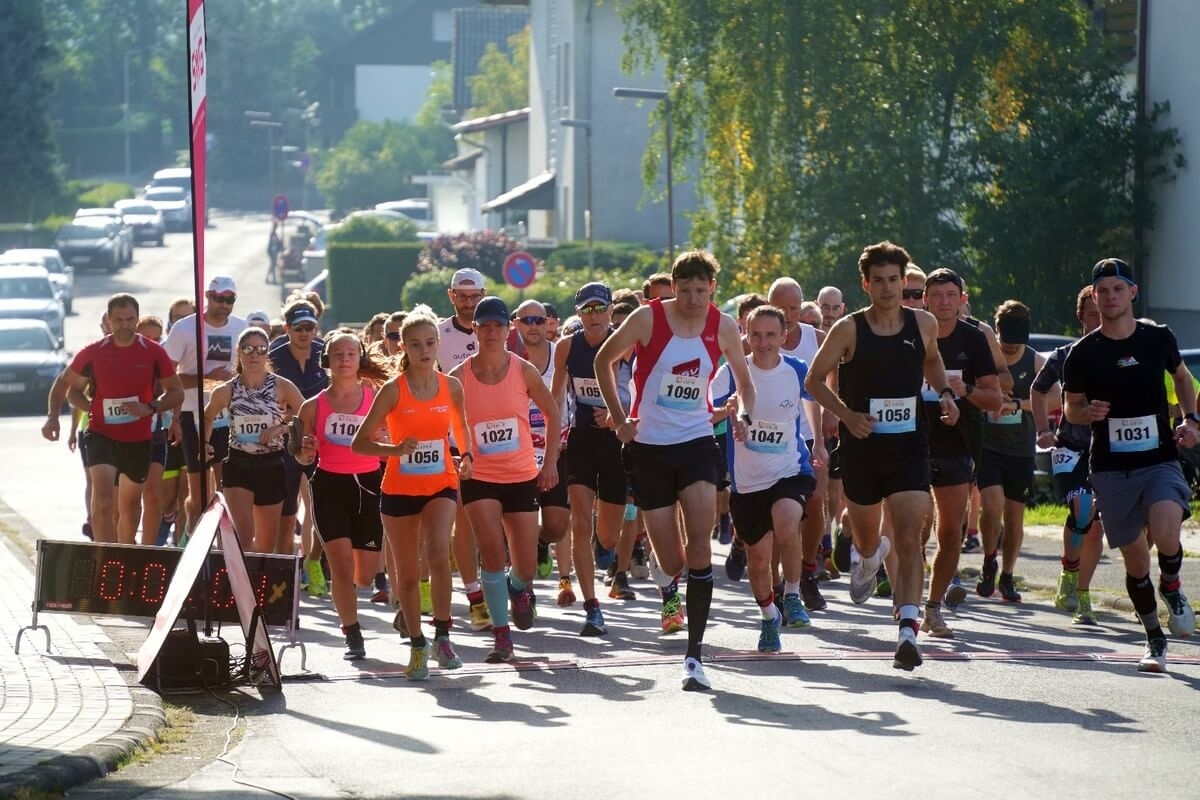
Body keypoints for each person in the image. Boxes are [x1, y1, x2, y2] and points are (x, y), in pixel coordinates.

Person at [595, 250, 755, 691]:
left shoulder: (722, 325)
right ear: (674, 286)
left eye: (700, 291)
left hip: (697, 441)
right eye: (684, 290)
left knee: (699, 541)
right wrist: (620, 417)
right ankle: (673, 588)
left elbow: (745, 380)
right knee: (673, 560)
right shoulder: (648, 320)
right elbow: (602, 361)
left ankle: (694, 654)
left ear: (712, 290)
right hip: (649, 448)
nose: (691, 299)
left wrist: (742, 414)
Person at [805, 241, 959, 672]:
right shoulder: (849, 330)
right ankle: (868, 555)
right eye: (879, 281)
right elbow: (815, 381)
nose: (889, 289)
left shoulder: (923, 323)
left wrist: (944, 392)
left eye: (895, 280)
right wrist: (846, 415)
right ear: (866, 284)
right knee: (867, 535)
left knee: (912, 534)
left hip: (910, 443)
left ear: (904, 280)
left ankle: (908, 629)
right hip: (863, 448)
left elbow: (932, 363)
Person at [1063, 258, 1198, 672]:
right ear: (1094, 297)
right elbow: (1070, 409)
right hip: (1110, 468)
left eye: (1117, 289)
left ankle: (1172, 586)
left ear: (1132, 293)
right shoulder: (1083, 353)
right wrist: (1090, 413)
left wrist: (1191, 420)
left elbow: (1181, 378)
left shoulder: (1157, 337)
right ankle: (1154, 638)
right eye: (1102, 291)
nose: (1109, 297)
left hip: (1159, 459)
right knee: (1135, 561)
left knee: (1166, 530)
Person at [353, 306, 473, 677]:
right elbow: (361, 444)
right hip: (400, 490)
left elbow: (460, 426)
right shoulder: (392, 391)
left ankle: (442, 636)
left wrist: (465, 455)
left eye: (431, 343)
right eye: (417, 344)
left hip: (440, 483)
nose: (425, 350)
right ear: (404, 347)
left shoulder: (451, 385)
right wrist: (393, 451)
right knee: (406, 574)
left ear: (439, 345)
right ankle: (417, 644)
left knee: (438, 554)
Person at [449, 296, 562, 663]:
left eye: (499, 326)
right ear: (475, 330)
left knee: (526, 565)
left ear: (507, 329)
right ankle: (501, 635)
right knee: (493, 552)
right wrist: (456, 455)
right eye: (485, 326)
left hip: (521, 474)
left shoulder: (523, 370)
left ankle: (517, 588)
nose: (492, 332)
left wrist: (550, 463)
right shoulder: (458, 378)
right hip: (478, 475)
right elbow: (440, 420)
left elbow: (552, 412)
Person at [712, 305, 822, 650]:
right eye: (755, 334)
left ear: (783, 337)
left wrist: (817, 440)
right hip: (747, 481)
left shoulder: (795, 369)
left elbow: (812, 399)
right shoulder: (732, 372)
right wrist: (726, 410)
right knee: (759, 562)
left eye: (771, 335)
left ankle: (791, 594)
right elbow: (704, 410)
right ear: (745, 334)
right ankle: (768, 616)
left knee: (788, 522)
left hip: (789, 469)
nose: (763, 342)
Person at [43, 294, 182, 544]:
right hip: (101, 434)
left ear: (137, 320)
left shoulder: (153, 352)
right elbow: (65, 384)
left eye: (130, 319)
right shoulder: (93, 353)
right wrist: (54, 417)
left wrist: (149, 407)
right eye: (118, 320)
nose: (124, 325)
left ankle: (125, 554)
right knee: (104, 500)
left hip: (138, 438)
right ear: (109, 320)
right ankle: (104, 556)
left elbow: (176, 391)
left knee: (129, 507)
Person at [295, 331, 392, 661]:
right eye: (338, 354)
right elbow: (301, 454)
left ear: (360, 358)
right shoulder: (312, 407)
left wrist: (385, 436)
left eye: (351, 353)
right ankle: (352, 632)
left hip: (367, 484)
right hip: (329, 486)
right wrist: (305, 451)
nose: (345, 359)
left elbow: (392, 436)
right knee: (340, 563)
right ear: (327, 361)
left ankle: (352, 590)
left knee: (363, 575)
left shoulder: (376, 397)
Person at [917, 269, 1001, 638]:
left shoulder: (975, 339)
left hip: (957, 444)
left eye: (952, 294)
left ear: (962, 298)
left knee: (950, 532)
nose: (945, 302)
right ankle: (905, 600)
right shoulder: (912, 333)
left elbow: (994, 397)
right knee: (911, 528)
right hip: (911, 441)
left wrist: (963, 389)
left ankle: (932, 608)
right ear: (926, 299)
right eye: (938, 295)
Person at [550, 283, 635, 637]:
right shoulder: (567, 347)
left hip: (616, 441)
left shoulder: (628, 343)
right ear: (578, 313)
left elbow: (641, 392)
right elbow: (556, 396)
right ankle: (592, 606)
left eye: (600, 309)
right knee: (580, 523)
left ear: (611, 310)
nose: (594, 316)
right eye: (586, 310)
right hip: (583, 439)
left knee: (608, 536)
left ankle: (607, 549)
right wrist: (553, 441)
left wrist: (619, 412)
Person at [1031, 285, 1104, 625]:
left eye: (1103, 312)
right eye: (1092, 314)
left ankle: (1084, 597)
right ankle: (1069, 572)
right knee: (1083, 507)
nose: (1099, 319)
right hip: (1071, 449)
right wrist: (1042, 428)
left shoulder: (1122, 354)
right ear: (1081, 318)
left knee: (1095, 528)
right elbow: (1037, 389)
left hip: (1109, 450)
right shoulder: (1065, 354)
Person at [204, 327, 304, 552]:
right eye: (248, 349)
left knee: (266, 544)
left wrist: (283, 428)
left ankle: (257, 584)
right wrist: (205, 442)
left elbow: (308, 416)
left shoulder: (282, 386)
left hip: (272, 465)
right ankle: (236, 585)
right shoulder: (227, 390)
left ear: (267, 353)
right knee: (242, 535)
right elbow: (207, 416)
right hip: (239, 464)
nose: (254, 355)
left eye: (260, 349)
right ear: (239, 352)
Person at [162, 276, 248, 540]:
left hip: (228, 417)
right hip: (193, 416)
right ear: (207, 298)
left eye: (229, 300)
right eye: (218, 298)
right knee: (199, 495)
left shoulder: (241, 328)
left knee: (227, 491)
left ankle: (223, 551)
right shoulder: (185, 328)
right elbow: (167, 376)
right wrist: (206, 379)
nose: (223, 305)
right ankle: (192, 544)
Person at [767, 277, 829, 611]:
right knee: (780, 515)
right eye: (780, 307)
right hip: (772, 438)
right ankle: (778, 584)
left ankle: (808, 571)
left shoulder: (815, 338)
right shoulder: (758, 340)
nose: (787, 314)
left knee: (816, 501)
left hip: (808, 434)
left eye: (793, 307)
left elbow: (834, 373)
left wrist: (832, 411)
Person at [975, 300, 1044, 603]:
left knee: (1014, 516)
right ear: (998, 329)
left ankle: (1007, 575)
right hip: (988, 444)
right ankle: (990, 559)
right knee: (991, 507)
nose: (1013, 348)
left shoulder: (1036, 361)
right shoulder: (986, 355)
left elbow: (1055, 398)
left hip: (1021, 448)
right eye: (1008, 342)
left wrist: (1016, 404)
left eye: (1018, 344)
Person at [438, 268, 489, 632]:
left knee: (495, 523)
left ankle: (507, 585)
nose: (470, 304)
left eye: (475, 297)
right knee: (464, 521)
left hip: (496, 442)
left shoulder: (499, 329)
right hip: (454, 443)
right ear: (451, 296)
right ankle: (475, 597)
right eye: (463, 297)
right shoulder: (436, 336)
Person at [512, 300, 572, 601]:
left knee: (556, 526)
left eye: (539, 320)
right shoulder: (507, 358)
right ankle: (524, 591)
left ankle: (541, 542)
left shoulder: (559, 352)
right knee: (519, 524)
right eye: (527, 320)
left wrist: (562, 439)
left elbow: (566, 399)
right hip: (516, 452)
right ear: (516, 324)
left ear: (547, 323)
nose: (533, 326)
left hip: (553, 448)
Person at [269, 300, 329, 594]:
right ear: (287, 329)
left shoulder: (325, 353)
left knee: (321, 507)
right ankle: (283, 570)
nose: (305, 333)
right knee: (287, 510)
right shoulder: (274, 357)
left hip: (323, 440)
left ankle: (313, 563)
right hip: (286, 440)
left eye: (310, 327)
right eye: (299, 328)